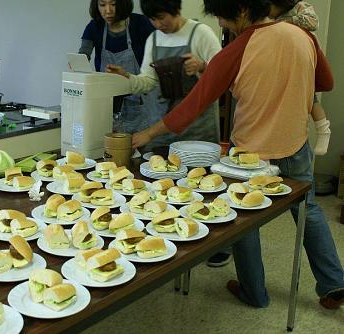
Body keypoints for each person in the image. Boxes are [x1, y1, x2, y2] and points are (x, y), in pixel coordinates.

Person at [132, 0, 344, 309]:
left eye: (222, 15)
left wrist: (148, 134)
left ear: (242, 9)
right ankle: (334, 282)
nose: (219, 23)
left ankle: (254, 293)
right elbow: (326, 82)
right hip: (294, 143)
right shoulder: (303, 36)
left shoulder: (238, 48)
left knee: (244, 221)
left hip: (250, 153)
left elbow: (194, 104)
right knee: (307, 210)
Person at [106, 0, 222, 150]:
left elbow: (222, 75)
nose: (158, 24)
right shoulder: (154, 40)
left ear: (176, 9)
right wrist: (126, 76)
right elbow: (148, 81)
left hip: (198, 131)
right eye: (152, 19)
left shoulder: (200, 33)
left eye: (161, 17)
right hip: (163, 129)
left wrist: (202, 66)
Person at [79, 0, 155, 134]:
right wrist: (78, 63)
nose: (107, 10)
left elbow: (156, 58)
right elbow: (84, 53)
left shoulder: (141, 23)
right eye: (102, 5)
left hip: (140, 100)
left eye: (113, 4)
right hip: (107, 103)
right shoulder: (94, 26)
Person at [269, 0, 331, 156]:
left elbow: (313, 22)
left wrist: (285, 22)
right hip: (285, 58)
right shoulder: (269, 14)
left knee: (312, 99)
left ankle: (324, 130)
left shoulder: (301, 7)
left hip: (306, 58)